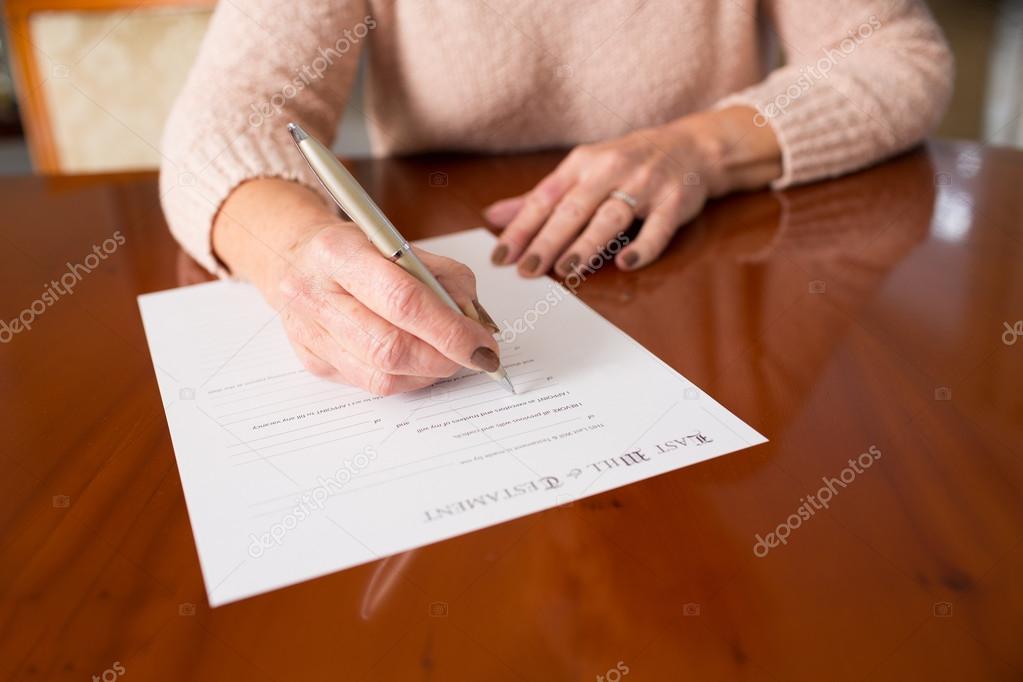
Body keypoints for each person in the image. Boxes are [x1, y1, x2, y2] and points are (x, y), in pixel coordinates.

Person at [160, 0, 953, 395]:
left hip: (697, 283)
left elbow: (893, 50)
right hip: (446, 250)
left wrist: (699, 146)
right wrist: (295, 250)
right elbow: (227, 117)